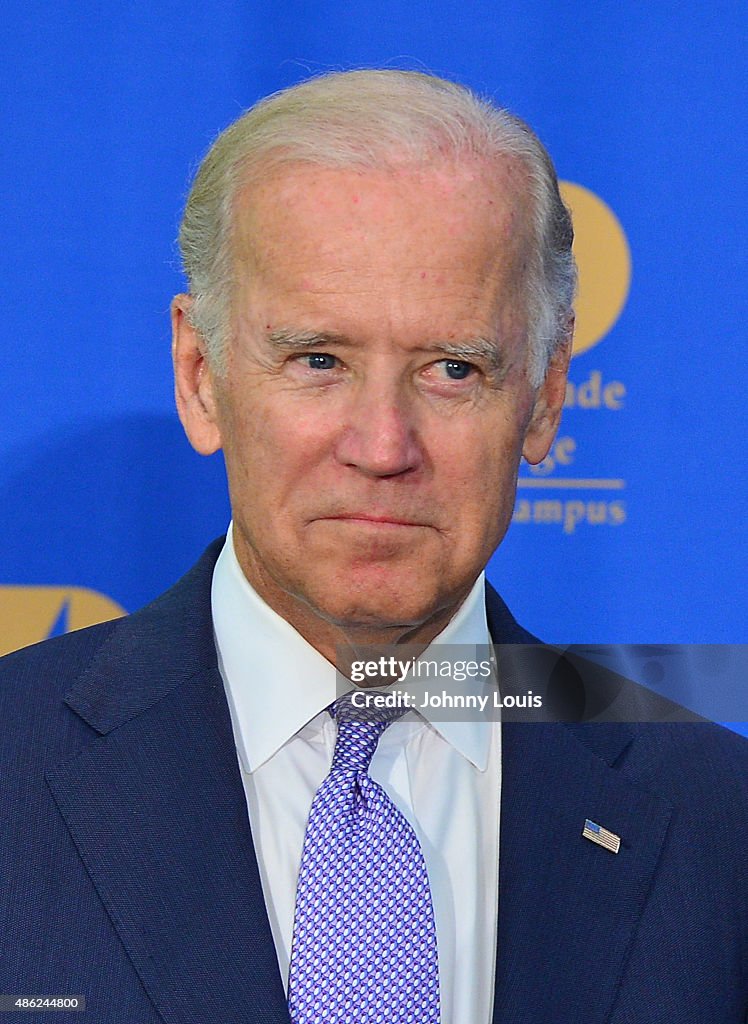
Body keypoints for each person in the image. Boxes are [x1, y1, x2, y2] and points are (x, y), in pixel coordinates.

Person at [1, 70, 746, 1024]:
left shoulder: (717, 824)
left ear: (546, 396)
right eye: (319, 360)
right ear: (200, 375)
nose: (384, 446)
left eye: (452, 368)